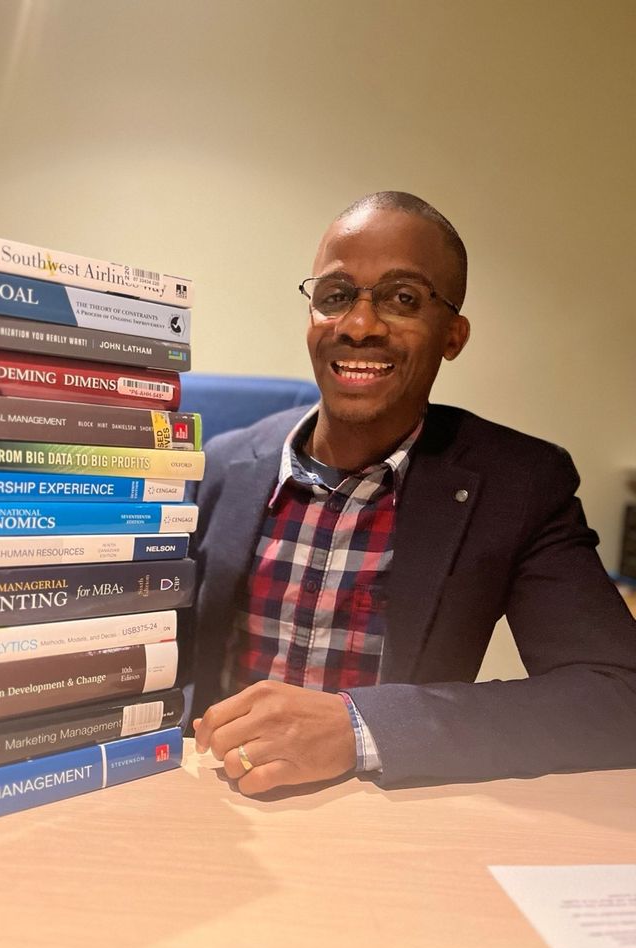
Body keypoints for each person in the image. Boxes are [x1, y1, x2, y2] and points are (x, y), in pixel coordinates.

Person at [187, 191, 636, 793]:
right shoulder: (223, 464)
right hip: (211, 798)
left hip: (385, 812)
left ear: (453, 335)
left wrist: (360, 726)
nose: (360, 325)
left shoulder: (517, 483)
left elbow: (617, 695)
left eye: (403, 299)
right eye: (336, 295)